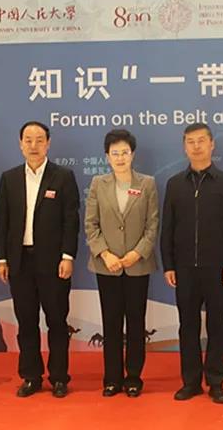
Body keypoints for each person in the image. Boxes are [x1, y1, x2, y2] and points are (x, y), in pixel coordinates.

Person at [0, 121, 80, 398]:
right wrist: (1, 259)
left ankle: (59, 377)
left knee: (57, 322)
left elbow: (71, 221)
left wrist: (68, 256)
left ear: (48, 143)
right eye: (28, 140)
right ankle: (31, 376)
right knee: (26, 322)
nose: (34, 145)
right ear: (20, 144)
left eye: (39, 139)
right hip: (20, 262)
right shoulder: (9, 178)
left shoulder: (63, 177)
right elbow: (2, 221)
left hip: (54, 263)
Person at [160, 122, 223, 405]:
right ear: (184, 147)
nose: (196, 146)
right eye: (190, 142)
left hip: (218, 269)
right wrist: (169, 265)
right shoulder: (174, 184)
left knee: (218, 325)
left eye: (201, 141)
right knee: (188, 326)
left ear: (211, 144)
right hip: (184, 269)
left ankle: (216, 381)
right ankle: (191, 382)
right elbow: (167, 229)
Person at [84, 129, 159, 398]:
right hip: (107, 266)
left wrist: (137, 253)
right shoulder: (98, 183)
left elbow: (152, 225)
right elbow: (91, 224)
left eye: (124, 152)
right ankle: (112, 378)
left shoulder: (147, 183)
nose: (120, 158)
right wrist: (105, 254)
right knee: (111, 322)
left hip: (137, 265)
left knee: (136, 323)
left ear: (132, 154)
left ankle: (134, 377)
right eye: (114, 153)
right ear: (107, 156)